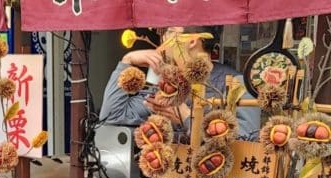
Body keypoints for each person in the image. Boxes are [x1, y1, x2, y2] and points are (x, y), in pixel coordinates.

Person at [100, 26, 260, 140]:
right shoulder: (165, 84)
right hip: (167, 175)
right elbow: (112, 116)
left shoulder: (236, 83)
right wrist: (127, 61)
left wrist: (186, 118)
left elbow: (247, 137)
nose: (163, 39)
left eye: (170, 32)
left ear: (192, 41)